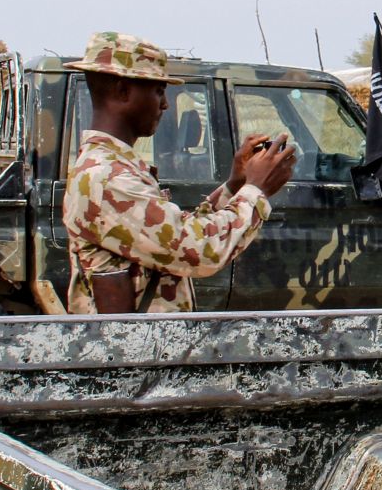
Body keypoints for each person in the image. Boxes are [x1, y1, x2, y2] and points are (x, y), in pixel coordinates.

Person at [61, 31, 295, 314]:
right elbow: (199, 252)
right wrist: (256, 191)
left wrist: (235, 185)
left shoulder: (111, 168)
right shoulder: (108, 177)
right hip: (133, 353)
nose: (165, 104)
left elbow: (175, 233)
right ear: (122, 91)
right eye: (158, 90)